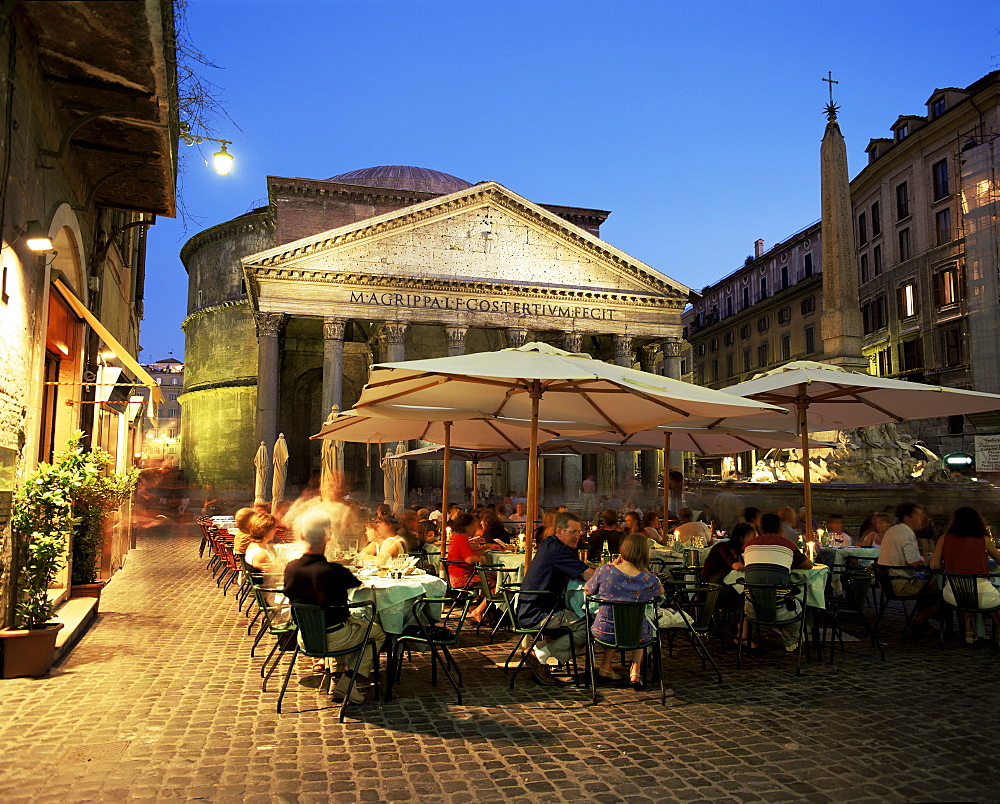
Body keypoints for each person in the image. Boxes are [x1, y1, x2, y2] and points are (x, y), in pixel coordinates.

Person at [283, 510, 385, 704]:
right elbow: (356, 583)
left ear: (303, 536)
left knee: (342, 624)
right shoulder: (333, 571)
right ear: (328, 538)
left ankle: (336, 679)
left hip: (305, 637)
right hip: (335, 637)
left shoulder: (291, 568)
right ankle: (349, 680)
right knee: (377, 632)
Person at [517, 512, 595, 685]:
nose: (578, 536)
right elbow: (589, 576)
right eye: (573, 531)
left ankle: (536, 650)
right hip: (538, 613)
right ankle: (539, 655)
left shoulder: (549, 545)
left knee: (576, 620)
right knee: (589, 625)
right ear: (559, 531)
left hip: (530, 607)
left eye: (579, 532)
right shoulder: (557, 550)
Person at [585, 533, 663, 689]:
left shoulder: (605, 571)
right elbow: (660, 591)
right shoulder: (648, 580)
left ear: (623, 550)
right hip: (636, 634)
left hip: (604, 631)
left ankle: (605, 667)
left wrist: (613, 565)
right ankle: (635, 672)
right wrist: (644, 569)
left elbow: (588, 590)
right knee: (638, 623)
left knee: (615, 619)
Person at [741, 513, 813, 651]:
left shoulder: (748, 546)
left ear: (760, 528)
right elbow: (808, 565)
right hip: (782, 607)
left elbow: (743, 563)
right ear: (780, 528)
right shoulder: (788, 545)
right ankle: (791, 643)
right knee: (802, 603)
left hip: (752, 607)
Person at [930, 506, 1000, 643]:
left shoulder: (944, 539)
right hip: (983, 595)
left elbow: (934, 565)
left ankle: (968, 631)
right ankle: (998, 630)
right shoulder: (984, 540)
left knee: (964, 590)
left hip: (953, 595)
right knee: (990, 593)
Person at [877, 502, 940, 635]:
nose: (922, 519)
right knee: (943, 587)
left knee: (927, 584)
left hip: (887, 582)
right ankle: (918, 620)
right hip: (902, 583)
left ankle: (922, 623)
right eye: (919, 515)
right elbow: (914, 562)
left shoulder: (892, 530)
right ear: (908, 517)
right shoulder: (906, 533)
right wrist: (925, 561)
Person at [446, 513, 493, 622]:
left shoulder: (456, 537)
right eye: (474, 526)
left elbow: (470, 552)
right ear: (468, 526)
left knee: (491, 578)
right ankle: (479, 610)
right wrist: (484, 560)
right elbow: (469, 559)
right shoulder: (462, 539)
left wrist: (486, 547)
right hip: (462, 578)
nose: (475, 529)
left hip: (454, 576)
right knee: (497, 581)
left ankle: (480, 607)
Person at [244, 512, 279, 582]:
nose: (276, 530)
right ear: (265, 531)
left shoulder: (254, 545)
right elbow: (276, 577)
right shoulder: (260, 554)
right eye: (274, 528)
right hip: (269, 590)